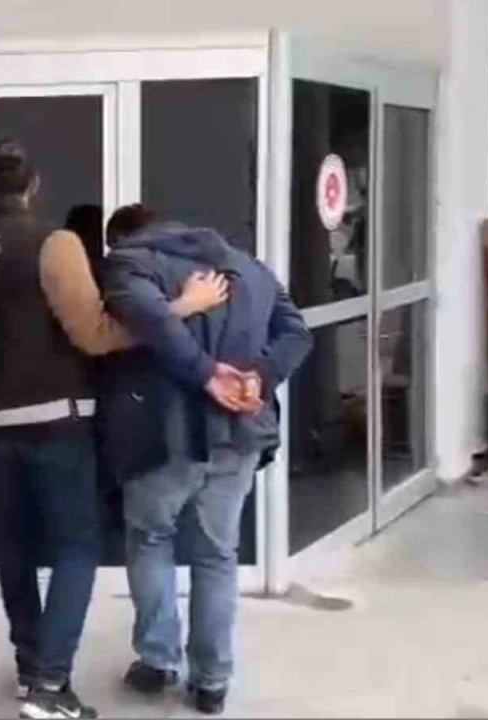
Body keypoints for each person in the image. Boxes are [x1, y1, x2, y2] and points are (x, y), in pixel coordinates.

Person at [0, 141, 225, 719]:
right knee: (75, 545)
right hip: (51, 417)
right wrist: (181, 309)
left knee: (13, 546)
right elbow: (95, 334)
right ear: (33, 184)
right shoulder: (53, 242)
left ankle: (29, 667)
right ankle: (50, 684)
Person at [99, 204, 312, 715]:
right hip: (239, 432)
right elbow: (297, 332)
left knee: (151, 540)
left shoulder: (128, 263)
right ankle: (212, 681)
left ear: (121, 238)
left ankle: (158, 661)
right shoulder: (248, 267)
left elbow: (151, 321)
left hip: (162, 438)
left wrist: (207, 373)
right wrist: (260, 376)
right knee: (217, 555)